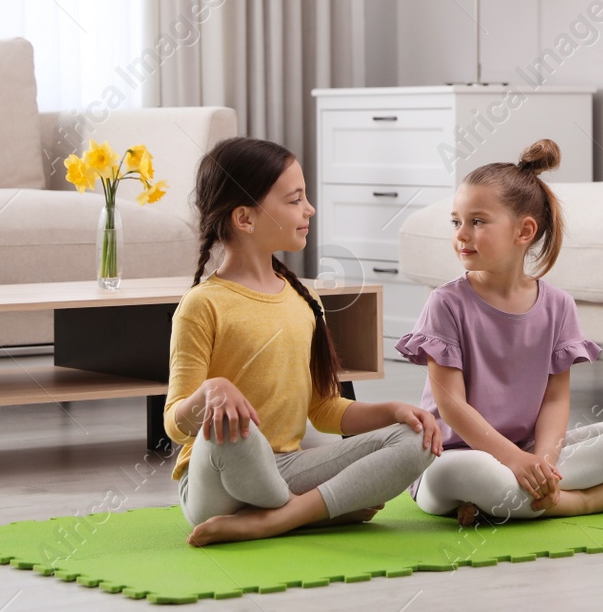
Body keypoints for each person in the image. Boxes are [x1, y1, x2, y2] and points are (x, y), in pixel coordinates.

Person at [164, 136, 442, 546]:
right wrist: (213, 391)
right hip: (217, 479)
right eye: (294, 200)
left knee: (417, 438)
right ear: (246, 218)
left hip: (286, 470)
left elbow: (324, 409)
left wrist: (393, 410)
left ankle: (282, 516)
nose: (309, 209)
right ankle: (314, 511)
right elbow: (174, 425)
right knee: (236, 436)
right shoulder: (202, 305)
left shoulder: (305, 300)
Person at [396, 138, 603, 523]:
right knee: (467, 473)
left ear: (524, 231)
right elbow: (452, 406)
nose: (461, 234)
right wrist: (513, 460)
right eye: (456, 221)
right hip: (452, 457)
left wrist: (542, 461)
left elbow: (555, 400)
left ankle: (504, 499)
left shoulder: (559, 305)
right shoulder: (445, 303)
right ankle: (580, 502)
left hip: (526, 450)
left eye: (477, 222)